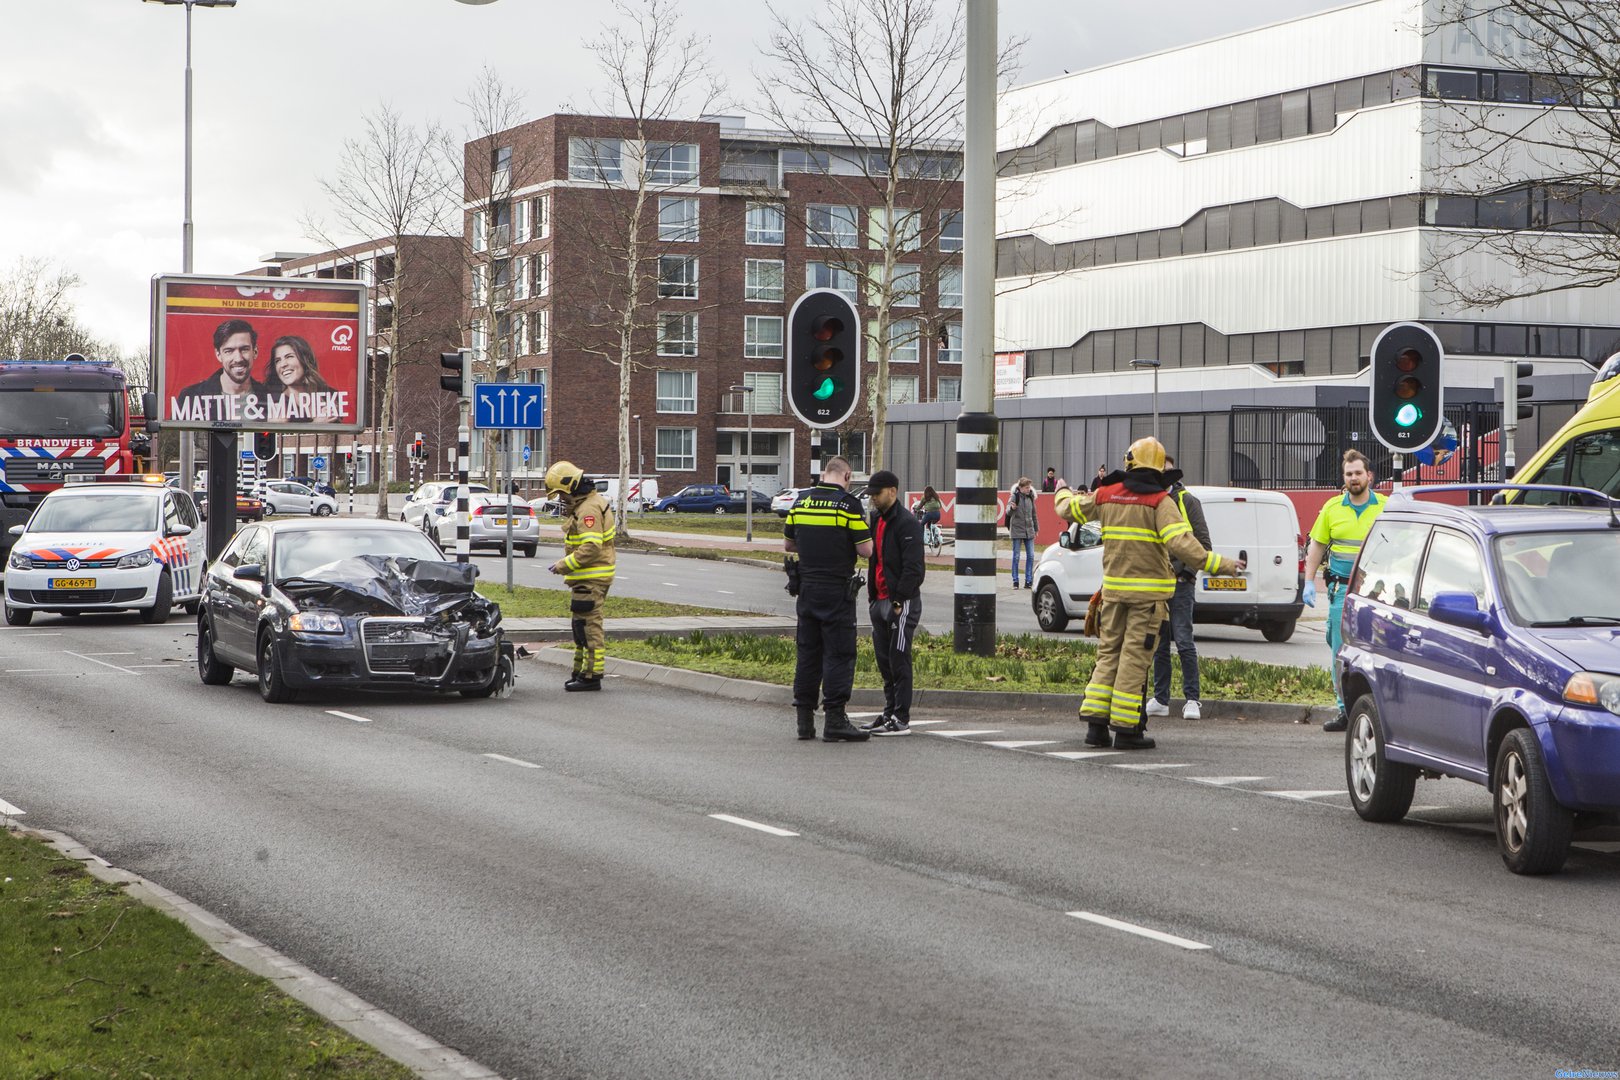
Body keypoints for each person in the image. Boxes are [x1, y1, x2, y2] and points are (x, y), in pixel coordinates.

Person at [1055, 438, 1245, 750]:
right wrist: (1224, 565)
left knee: (1108, 655)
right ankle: (1128, 730)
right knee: (1134, 660)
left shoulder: (1106, 495)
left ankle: (1096, 727)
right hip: (1147, 601)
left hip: (1113, 595)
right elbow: (1185, 546)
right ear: (1158, 469)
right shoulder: (1160, 502)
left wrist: (1061, 489)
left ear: (1128, 463)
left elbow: (1068, 507)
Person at [783, 456, 874, 742]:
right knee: (839, 653)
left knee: (808, 653)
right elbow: (866, 550)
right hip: (836, 589)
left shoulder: (800, 502)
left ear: (825, 474)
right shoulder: (848, 505)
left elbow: (789, 543)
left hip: (807, 587)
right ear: (846, 476)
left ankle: (804, 721)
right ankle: (835, 719)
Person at [1305, 450, 1384, 732]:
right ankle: (1345, 711)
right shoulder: (1332, 508)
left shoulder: (1385, 508)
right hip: (1341, 591)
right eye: (1348, 474)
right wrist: (1308, 580)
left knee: (1374, 653)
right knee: (1339, 651)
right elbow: (1316, 545)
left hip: (1377, 595)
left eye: (1358, 473)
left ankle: (1373, 710)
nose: (1353, 478)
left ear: (1369, 476)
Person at [859, 470, 925, 736]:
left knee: (899, 659)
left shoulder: (907, 523)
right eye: (871, 494)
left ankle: (901, 717)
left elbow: (914, 568)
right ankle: (888, 711)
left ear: (892, 492)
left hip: (901, 602)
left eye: (877, 493)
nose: (873, 498)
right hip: (880, 600)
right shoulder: (876, 519)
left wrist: (898, 600)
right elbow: (874, 558)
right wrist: (874, 597)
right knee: (884, 660)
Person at [1146, 454, 1211, 721]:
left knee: (1183, 640)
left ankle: (1192, 699)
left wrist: (1187, 574)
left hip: (1181, 583)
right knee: (1159, 643)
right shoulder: (1150, 504)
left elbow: (1204, 544)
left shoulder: (1188, 502)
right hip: (1157, 585)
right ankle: (1161, 699)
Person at [544, 460, 616, 692]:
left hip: (590, 578)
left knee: (589, 628)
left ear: (571, 488)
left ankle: (591, 676)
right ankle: (581, 671)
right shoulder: (588, 504)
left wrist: (563, 565)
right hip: (588, 578)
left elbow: (591, 547)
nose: (561, 500)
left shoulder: (588, 510)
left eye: (562, 495)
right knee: (581, 626)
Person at [173, 319, 268, 421]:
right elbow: (173, 435)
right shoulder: (191, 397)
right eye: (229, 351)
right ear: (218, 355)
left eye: (244, 349)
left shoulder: (271, 398)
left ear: (255, 351)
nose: (238, 358)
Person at [263, 335, 338, 421]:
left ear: (305, 359)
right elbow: (265, 434)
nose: (283, 364)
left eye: (289, 357)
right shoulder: (273, 403)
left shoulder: (331, 395)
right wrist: (316, 426)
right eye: (278, 361)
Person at [1005, 477, 1039, 589]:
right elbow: (1008, 511)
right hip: (1017, 530)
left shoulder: (1031, 497)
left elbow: (1034, 514)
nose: (1029, 489)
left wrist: (1036, 528)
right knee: (1016, 556)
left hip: (1029, 530)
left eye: (1029, 487)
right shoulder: (1014, 496)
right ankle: (1015, 581)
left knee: (1031, 555)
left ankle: (1028, 580)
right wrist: (1012, 508)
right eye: (1026, 487)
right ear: (1020, 488)